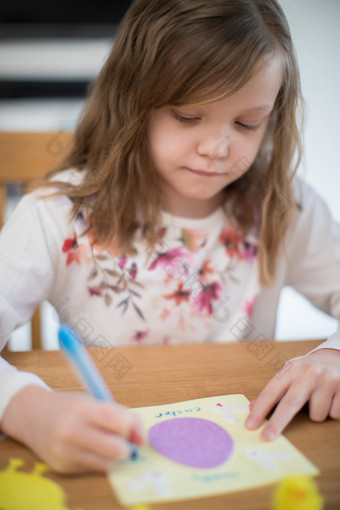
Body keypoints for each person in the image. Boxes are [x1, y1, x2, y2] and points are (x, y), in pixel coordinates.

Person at [0, 0, 339, 474]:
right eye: (187, 116)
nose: (217, 149)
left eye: (247, 124)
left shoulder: (285, 208)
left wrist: (334, 355)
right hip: (112, 468)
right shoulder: (55, 217)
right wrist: (25, 408)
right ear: (131, 100)